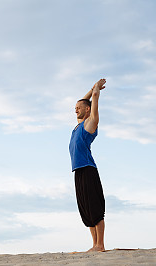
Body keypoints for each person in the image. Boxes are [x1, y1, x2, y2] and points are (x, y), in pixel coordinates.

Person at [69, 78, 106, 252]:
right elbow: (84, 102)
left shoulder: (90, 124)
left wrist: (96, 91)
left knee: (95, 208)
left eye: (78, 107)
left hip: (88, 169)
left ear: (88, 110)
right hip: (78, 171)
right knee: (85, 209)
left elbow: (92, 104)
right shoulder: (77, 126)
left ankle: (100, 244)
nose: (75, 109)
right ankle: (94, 244)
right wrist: (90, 91)